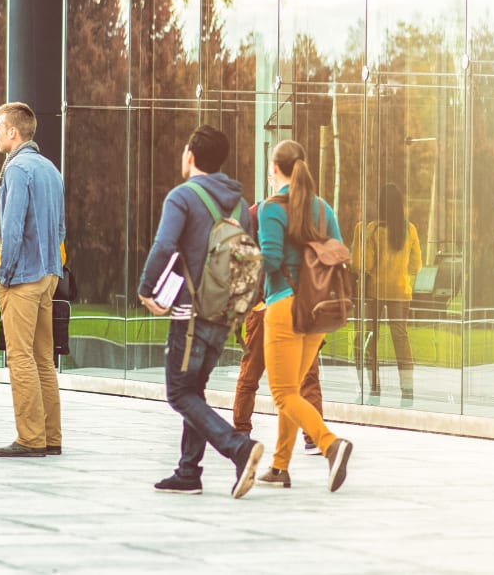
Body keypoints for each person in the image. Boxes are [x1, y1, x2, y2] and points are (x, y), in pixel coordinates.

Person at [138, 126, 264, 499]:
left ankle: (238, 448)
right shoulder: (240, 204)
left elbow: (164, 245)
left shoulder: (183, 196)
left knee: (179, 393)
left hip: (188, 314)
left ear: (190, 155)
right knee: (195, 390)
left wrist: (146, 289)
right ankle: (188, 471)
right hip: (222, 313)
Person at [256, 140, 353, 492]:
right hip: (317, 310)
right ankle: (280, 467)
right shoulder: (323, 208)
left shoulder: (271, 208)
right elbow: (338, 249)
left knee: (282, 393)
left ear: (275, 169)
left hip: (283, 304)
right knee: (293, 390)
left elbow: (269, 259)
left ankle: (331, 445)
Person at [0, 102, 66, 458]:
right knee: (43, 359)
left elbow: (12, 227)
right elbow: (61, 227)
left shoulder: (17, 169)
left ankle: (31, 439)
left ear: (13, 133)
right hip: (49, 274)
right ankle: (51, 437)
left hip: (21, 278)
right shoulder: (51, 169)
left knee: (20, 358)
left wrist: (4, 274)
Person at [232, 201, 324, 461]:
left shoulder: (305, 213)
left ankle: (311, 437)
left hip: (289, 305)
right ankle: (241, 430)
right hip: (272, 306)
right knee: (256, 373)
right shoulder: (263, 213)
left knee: (303, 376)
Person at [360, 183, 422, 405]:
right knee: (401, 340)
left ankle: (374, 387)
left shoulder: (374, 230)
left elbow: (366, 264)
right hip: (400, 291)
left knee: (370, 339)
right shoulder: (409, 229)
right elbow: (417, 265)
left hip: (376, 291)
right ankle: (407, 391)